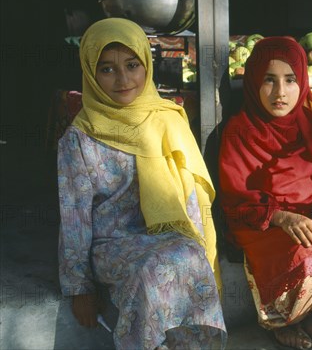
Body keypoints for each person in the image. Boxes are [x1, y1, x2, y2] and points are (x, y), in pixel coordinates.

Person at [57, 18, 226, 349]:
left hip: (168, 236)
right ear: (91, 72)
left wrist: (202, 245)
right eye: (106, 69)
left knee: (190, 255)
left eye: (132, 65)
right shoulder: (79, 138)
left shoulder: (166, 118)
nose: (123, 79)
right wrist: (79, 288)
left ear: (146, 65)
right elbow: (74, 217)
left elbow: (188, 194)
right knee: (153, 266)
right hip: (112, 244)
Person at [218, 36, 312, 349]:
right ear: (254, 81)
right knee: (303, 255)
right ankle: (282, 320)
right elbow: (236, 199)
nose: (280, 92)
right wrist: (283, 217)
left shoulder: (310, 125)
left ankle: (311, 313)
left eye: (290, 80)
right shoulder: (240, 130)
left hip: (310, 213)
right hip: (262, 220)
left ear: (303, 82)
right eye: (269, 80)